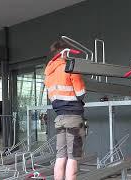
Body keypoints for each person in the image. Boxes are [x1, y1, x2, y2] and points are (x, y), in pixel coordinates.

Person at [44, 39, 86, 180]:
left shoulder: (49, 72)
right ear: (65, 52)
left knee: (60, 157)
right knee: (73, 156)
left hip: (60, 118)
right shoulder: (70, 67)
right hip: (73, 118)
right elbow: (80, 94)